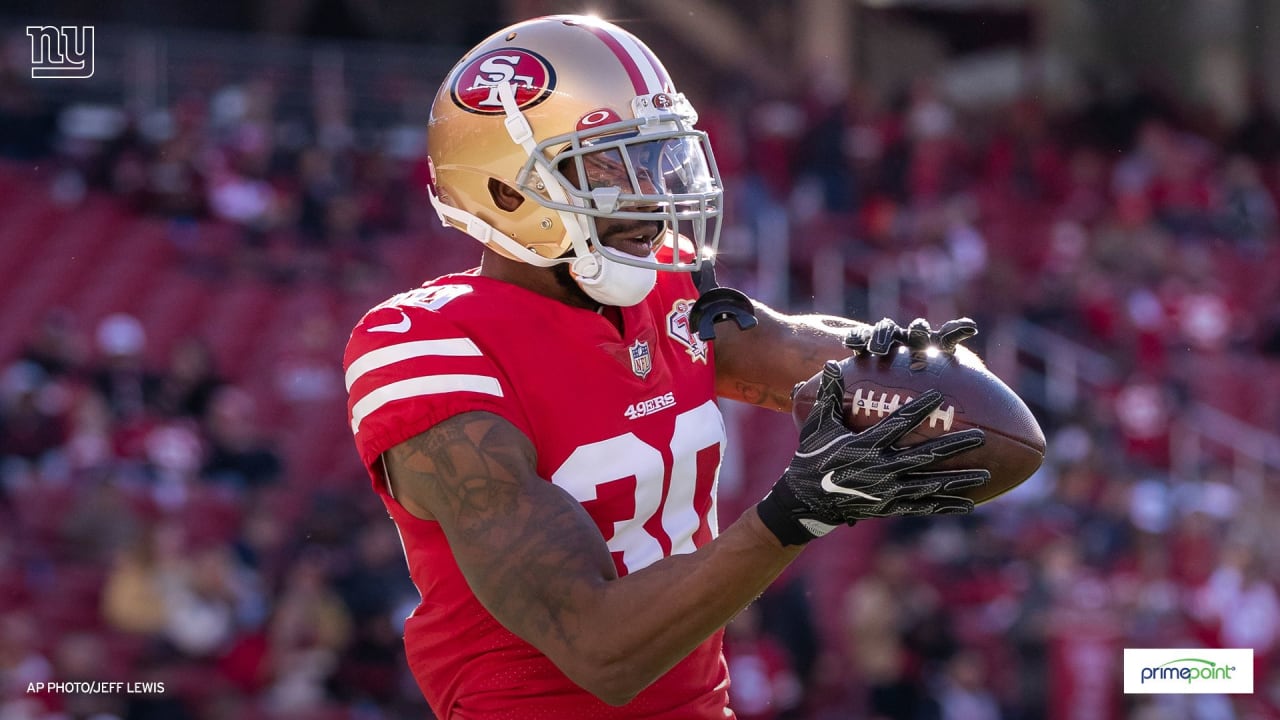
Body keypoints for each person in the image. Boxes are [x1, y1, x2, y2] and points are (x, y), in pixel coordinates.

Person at [343, 15, 989, 719]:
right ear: (505, 190)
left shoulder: (670, 287)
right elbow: (599, 650)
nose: (651, 192)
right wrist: (798, 511)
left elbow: (807, 352)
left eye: (658, 157)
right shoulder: (425, 343)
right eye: (611, 165)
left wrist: (918, 362)